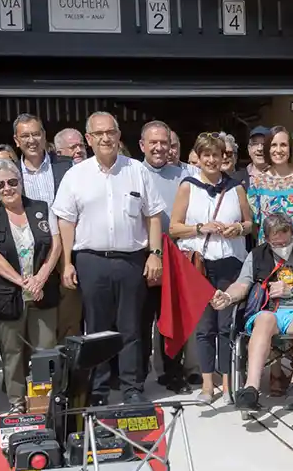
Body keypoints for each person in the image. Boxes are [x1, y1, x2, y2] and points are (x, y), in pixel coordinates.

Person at [52, 111, 165, 402]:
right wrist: (67, 263)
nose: (106, 138)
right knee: (97, 330)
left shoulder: (137, 170)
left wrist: (154, 254)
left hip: (131, 261)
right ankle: (99, 389)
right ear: (88, 139)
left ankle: (132, 388)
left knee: (131, 328)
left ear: (118, 136)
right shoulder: (75, 175)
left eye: (110, 132)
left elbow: (153, 216)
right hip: (91, 261)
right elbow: (66, 221)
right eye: (98, 134)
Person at [217, 213, 293, 414]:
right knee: (264, 319)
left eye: (285, 241)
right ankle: (251, 388)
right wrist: (227, 297)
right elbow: (241, 284)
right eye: (276, 243)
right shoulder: (257, 255)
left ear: (292, 233)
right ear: (266, 239)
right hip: (268, 310)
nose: (282, 247)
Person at [172, 133, 252, 403]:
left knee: (226, 325)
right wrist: (199, 227)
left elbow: (250, 224)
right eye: (205, 155)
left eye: (216, 155)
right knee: (205, 327)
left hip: (230, 261)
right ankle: (207, 385)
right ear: (198, 157)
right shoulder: (188, 186)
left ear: (223, 158)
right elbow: (174, 227)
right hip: (200, 265)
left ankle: (229, 385)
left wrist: (237, 228)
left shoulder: (236, 187)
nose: (211, 160)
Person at [0, 158, 42, 411]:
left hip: (41, 291)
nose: (7, 188)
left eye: (12, 182)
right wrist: (22, 281)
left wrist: (39, 279)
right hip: (8, 293)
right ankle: (16, 401)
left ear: (21, 182)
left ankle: (41, 399)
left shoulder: (41, 208)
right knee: (12, 352)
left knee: (43, 350)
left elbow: (55, 245)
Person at [11, 113, 79, 342]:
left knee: (70, 320)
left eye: (36, 134)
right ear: (16, 140)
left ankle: (70, 376)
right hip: (29, 254)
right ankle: (39, 375)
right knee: (36, 324)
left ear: (44, 136)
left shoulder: (66, 167)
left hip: (66, 253)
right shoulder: (10, 173)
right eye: (25, 135)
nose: (32, 140)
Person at [139, 120, 191, 392]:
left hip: (175, 255)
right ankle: (137, 377)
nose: (160, 148)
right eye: (153, 143)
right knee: (140, 319)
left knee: (171, 321)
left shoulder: (184, 175)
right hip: (141, 256)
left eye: (165, 143)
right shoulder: (134, 173)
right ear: (142, 146)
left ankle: (174, 373)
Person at [248, 127, 293, 240]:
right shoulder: (257, 183)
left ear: (290, 148)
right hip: (270, 252)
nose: (278, 150)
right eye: (274, 145)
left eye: (283, 145)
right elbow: (255, 226)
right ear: (267, 149)